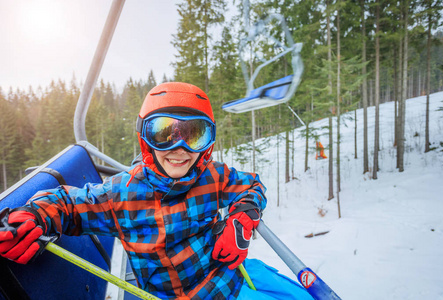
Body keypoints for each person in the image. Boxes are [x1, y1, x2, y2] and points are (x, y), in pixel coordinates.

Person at [0, 82, 310, 300]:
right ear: (145, 139)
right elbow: (69, 203)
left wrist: (244, 217)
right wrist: (35, 215)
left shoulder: (212, 176)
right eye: (164, 134)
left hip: (229, 280)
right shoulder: (123, 194)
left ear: (208, 143)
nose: (180, 149)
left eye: (194, 135)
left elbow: (252, 184)